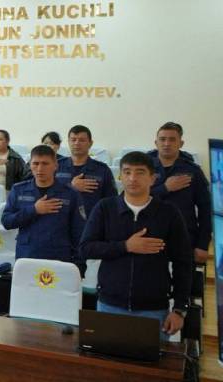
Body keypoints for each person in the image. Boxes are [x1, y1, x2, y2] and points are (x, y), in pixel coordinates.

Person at [80, 151, 192, 340]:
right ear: (120, 176)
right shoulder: (105, 208)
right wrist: (125, 246)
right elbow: (86, 248)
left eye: (140, 172)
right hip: (109, 305)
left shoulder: (168, 213)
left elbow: (183, 262)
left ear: (152, 178)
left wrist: (180, 309)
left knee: (151, 359)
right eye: (127, 172)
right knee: (107, 357)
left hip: (153, 309)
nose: (132, 178)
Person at [1, 145, 84, 267]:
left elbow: (79, 231)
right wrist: (34, 210)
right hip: (27, 255)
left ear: (55, 165)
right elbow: (7, 222)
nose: (40, 168)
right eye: (36, 163)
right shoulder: (19, 190)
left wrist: (79, 264)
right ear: (30, 165)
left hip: (59, 258)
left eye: (45, 164)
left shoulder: (70, 194)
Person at [149, 122, 211, 266]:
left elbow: (205, 210)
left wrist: (203, 244)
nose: (166, 144)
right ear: (156, 142)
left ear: (181, 143)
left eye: (172, 139)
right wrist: (165, 188)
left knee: (184, 279)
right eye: (162, 139)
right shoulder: (143, 168)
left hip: (184, 238)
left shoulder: (193, 171)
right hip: (149, 238)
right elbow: (131, 198)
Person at [55, 125, 116, 219]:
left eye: (82, 140)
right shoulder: (56, 166)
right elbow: (48, 195)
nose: (77, 143)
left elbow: (111, 201)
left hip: (92, 221)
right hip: (62, 220)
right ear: (68, 142)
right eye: (73, 140)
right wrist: (71, 186)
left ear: (90, 143)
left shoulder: (102, 170)